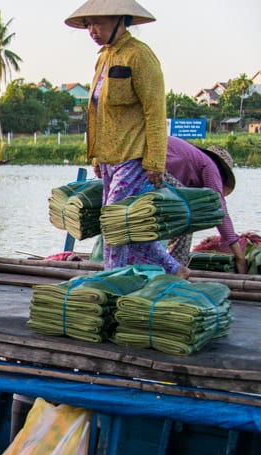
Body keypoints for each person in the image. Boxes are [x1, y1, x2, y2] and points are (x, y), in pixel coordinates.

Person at [66, 0, 189, 278]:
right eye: (88, 24)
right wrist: (96, 155)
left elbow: (155, 111)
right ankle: (172, 269)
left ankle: (114, 279)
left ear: (121, 20)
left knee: (114, 222)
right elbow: (97, 112)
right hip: (110, 158)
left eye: (98, 22)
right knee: (130, 223)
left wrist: (155, 162)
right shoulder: (104, 58)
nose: (92, 30)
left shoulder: (140, 56)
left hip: (134, 157)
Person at [163, 138, 246, 274]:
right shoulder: (211, 166)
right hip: (152, 164)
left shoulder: (191, 164)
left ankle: (171, 268)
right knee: (185, 223)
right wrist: (240, 258)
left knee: (176, 221)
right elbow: (219, 210)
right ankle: (174, 273)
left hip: (143, 163)